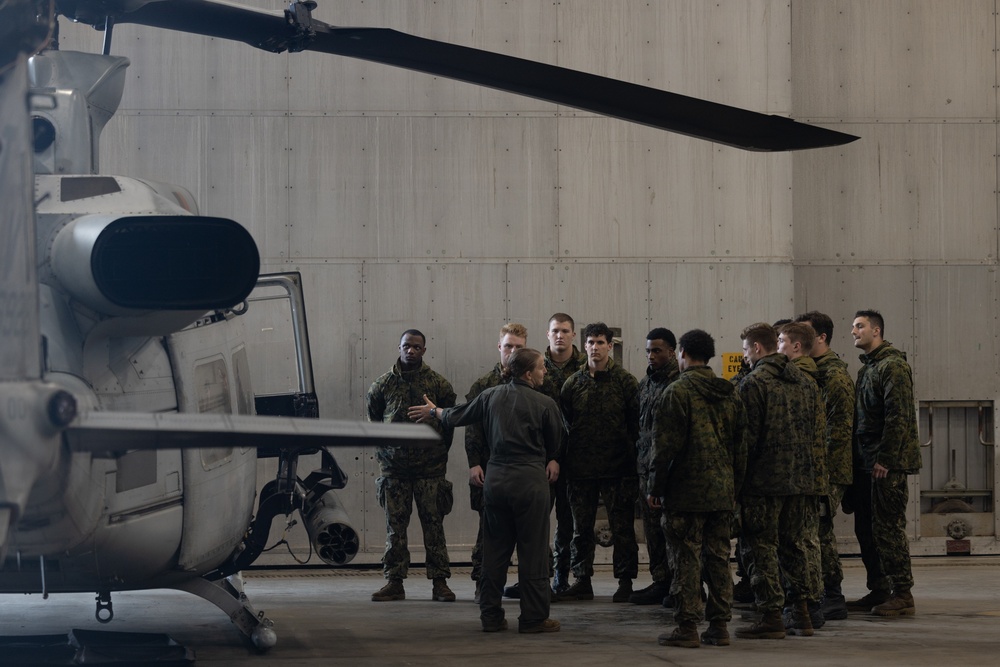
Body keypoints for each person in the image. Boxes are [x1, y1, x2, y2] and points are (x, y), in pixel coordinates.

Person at [408, 348, 564, 634]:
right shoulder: (545, 403)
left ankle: (491, 616)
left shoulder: (490, 395)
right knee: (533, 553)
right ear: (528, 373)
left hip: (497, 480)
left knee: (495, 552)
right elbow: (558, 442)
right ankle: (533, 618)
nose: (545, 372)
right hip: (530, 481)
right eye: (542, 368)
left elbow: (456, 416)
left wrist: (433, 410)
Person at [648, 329, 747, 648]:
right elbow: (741, 445)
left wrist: (655, 486)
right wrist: (735, 486)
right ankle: (719, 627)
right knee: (719, 557)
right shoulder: (729, 392)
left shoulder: (677, 392)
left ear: (683, 354)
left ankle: (687, 627)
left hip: (684, 492)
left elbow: (664, 447)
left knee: (685, 557)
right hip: (721, 490)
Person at [735, 322, 821, 639]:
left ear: (757, 348)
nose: (744, 356)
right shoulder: (806, 382)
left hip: (763, 483)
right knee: (795, 547)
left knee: (760, 548)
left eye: (745, 349)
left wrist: (736, 486)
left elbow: (746, 442)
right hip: (801, 481)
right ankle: (801, 614)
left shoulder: (753, 385)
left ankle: (771, 614)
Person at [366, 329, 457, 603]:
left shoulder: (438, 385)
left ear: (424, 350)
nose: (411, 351)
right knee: (395, 528)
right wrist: (385, 456)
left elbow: (450, 422)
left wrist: (437, 452)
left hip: (429, 470)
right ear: (399, 347)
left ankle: (440, 583)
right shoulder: (382, 385)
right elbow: (373, 422)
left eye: (417, 347)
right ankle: (394, 582)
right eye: (407, 346)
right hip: (394, 471)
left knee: (434, 526)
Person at [556, 322, 640, 603]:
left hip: (618, 469)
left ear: (610, 345)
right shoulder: (574, 383)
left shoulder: (625, 382)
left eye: (600, 342)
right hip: (580, 469)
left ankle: (625, 581)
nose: (595, 348)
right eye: (590, 342)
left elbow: (635, 426)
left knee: (622, 527)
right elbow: (566, 424)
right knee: (581, 529)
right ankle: (582, 580)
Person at [847, 309, 921, 616]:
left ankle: (902, 593)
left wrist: (886, 459)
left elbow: (898, 415)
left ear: (876, 331)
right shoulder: (868, 368)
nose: (854, 332)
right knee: (867, 528)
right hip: (867, 462)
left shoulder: (892, 366)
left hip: (884, 464)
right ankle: (878, 589)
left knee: (888, 528)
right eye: (853, 327)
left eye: (859, 326)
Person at [795, 310, 855, 620]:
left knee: (817, 531)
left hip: (829, 469)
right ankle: (829, 594)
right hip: (817, 469)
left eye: (805, 334)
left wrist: (822, 474)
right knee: (819, 532)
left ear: (822, 338)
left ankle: (830, 595)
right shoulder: (812, 370)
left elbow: (838, 432)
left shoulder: (833, 375)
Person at [465, 323, 528, 602]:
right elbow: (472, 429)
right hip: (489, 470)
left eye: (519, 347)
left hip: (525, 471)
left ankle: (531, 586)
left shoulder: (534, 381)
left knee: (528, 532)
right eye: (508, 346)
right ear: (499, 348)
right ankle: (484, 584)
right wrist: (474, 463)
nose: (513, 351)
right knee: (488, 532)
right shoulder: (483, 385)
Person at [776, 322, 828, 628]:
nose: (778, 346)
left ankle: (809, 603)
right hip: (810, 473)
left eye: (781, 341)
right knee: (806, 541)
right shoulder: (810, 376)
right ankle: (812, 604)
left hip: (799, 474)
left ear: (797, 346)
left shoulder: (799, 379)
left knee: (801, 543)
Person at [538, 313, 587, 595]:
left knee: (571, 523)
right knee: (538, 520)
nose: (560, 335)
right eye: (555, 330)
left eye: (565, 331)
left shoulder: (585, 367)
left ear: (572, 334)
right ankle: (539, 576)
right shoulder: (535, 365)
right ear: (548, 334)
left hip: (576, 459)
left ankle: (565, 577)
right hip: (541, 458)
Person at [630, 328, 679, 606]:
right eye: (648, 350)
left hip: (670, 474)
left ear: (672, 351)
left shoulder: (679, 383)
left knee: (672, 532)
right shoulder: (646, 384)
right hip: (646, 471)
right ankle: (661, 581)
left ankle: (680, 583)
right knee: (652, 532)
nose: (651, 356)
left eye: (657, 350)